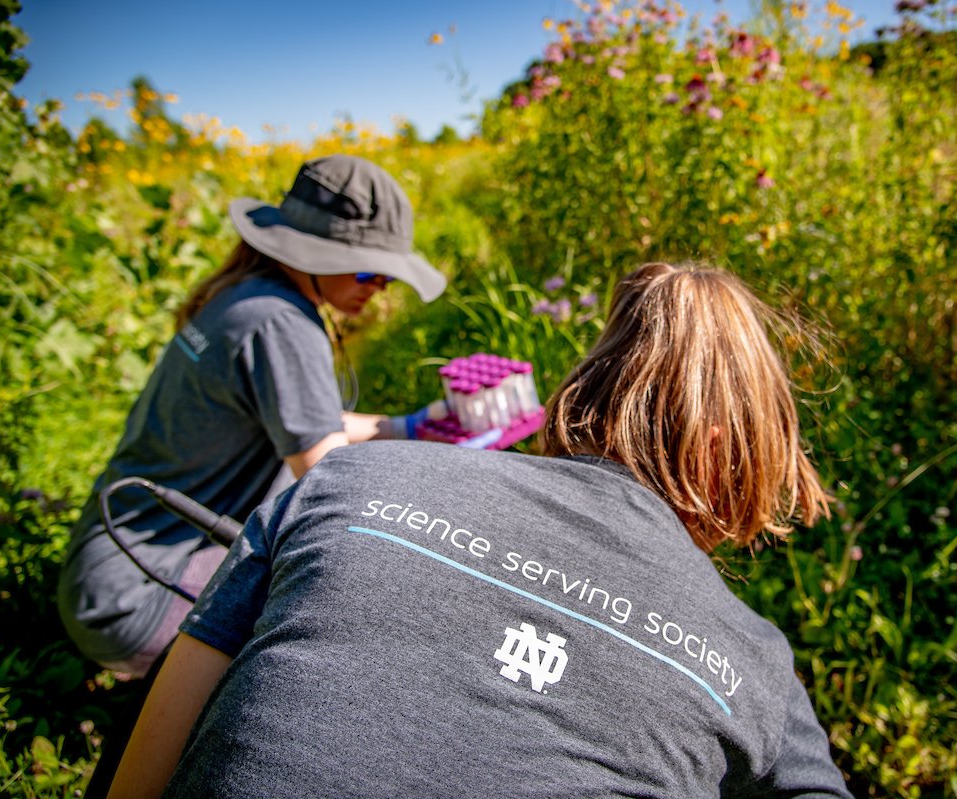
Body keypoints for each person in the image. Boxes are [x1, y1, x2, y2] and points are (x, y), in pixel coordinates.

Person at [108, 262, 854, 798]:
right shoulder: (755, 662)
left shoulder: (345, 483)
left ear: (577, 392)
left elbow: (141, 770)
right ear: (733, 454)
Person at [58, 154, 449, 680]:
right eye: (366, 270)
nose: (378, 286)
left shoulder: (247, 294)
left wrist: (411, 425)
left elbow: (309, 420)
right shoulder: (282, 324)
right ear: (312, 253)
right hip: (138, 601)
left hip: (103, 573)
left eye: (388, 277)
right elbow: (328, 479)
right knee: (329, 572)